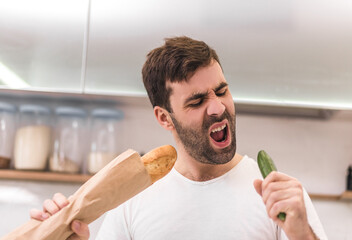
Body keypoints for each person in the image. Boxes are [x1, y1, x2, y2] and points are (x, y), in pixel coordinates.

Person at [31, 36, 327, 240]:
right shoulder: (132, 197)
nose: (218, 107)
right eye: (197, 101)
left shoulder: (279, 196)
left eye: (222, 91)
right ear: (164, 117)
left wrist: (302, 234)